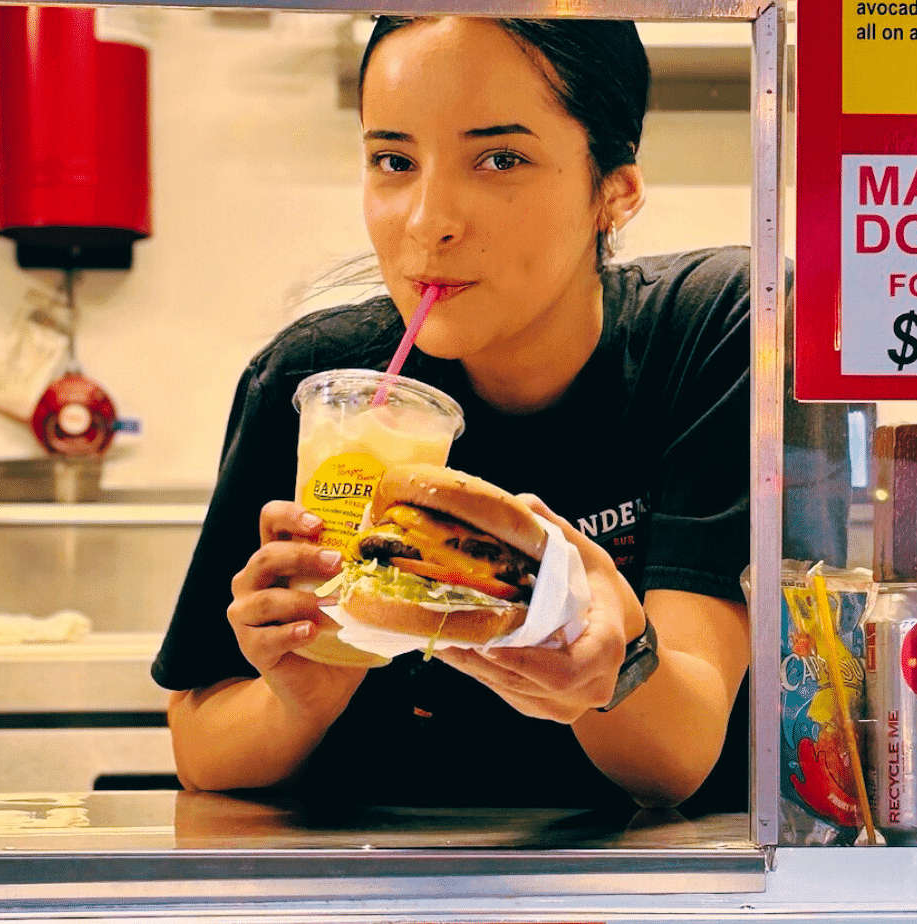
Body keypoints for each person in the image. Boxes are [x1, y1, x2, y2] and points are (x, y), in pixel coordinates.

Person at [151, 15, 753, 815]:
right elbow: (200, 750)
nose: (428, 220)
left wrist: (607, 654)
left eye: (500, 159)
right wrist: (303, 695)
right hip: (381, 883)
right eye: (394, 161)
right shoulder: (319, 381)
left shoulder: (713, 331)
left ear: (615, 191)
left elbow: (677, 757)